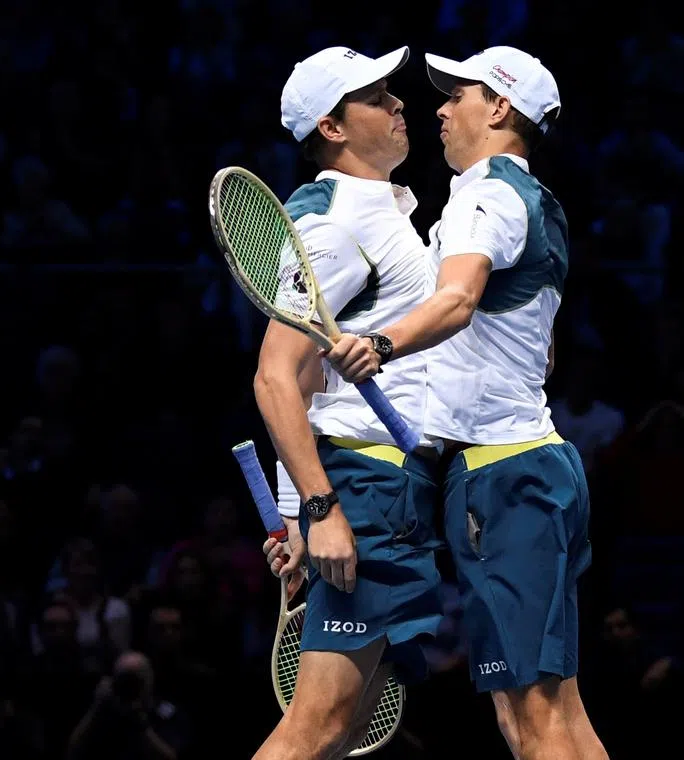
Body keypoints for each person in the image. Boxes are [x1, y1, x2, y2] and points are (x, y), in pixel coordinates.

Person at [325, 47, 608, 760]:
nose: (441, 109)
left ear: (501, 108)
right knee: (552, 716)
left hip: (507, 479)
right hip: (525, 472)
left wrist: (381, 345)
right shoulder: (533, 197)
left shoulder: (486, 192)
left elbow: (457, 298)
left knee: (535, 721)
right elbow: (532, 344)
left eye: (460, 95)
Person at [252, 44, 445, 760]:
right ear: (332, 127)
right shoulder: (334, 226)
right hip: (361, 490)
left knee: (348, 727)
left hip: (393, 490)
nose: (399, 106)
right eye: (377, 98)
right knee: (319, 728)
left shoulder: (383, 209)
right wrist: (315, 510)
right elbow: (278, 375)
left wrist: (298, 512)